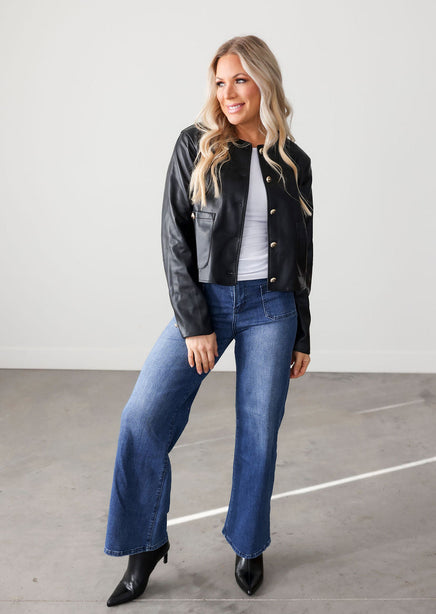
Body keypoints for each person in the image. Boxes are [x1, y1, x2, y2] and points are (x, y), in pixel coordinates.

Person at [104, 34, 314, 607]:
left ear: (264, 82)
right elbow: (175, 238)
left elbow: (303, 253)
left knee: (258, 432)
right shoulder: (195, 144)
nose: (228, 93)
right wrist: (196, 323)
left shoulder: (294, 161)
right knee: (142, 417)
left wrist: (302, 331)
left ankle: (248, 544)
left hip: (272, 308)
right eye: (220, 82)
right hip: (208, 304)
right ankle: (144, 544)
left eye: (240, 80)